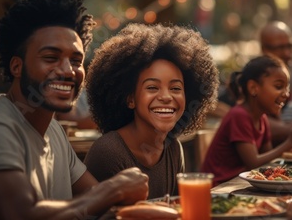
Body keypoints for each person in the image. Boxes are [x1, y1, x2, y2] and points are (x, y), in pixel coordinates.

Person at [0, 0, 149, 220]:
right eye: (51, 58)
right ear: (16, 67)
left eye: (76, 60)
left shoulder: (54, 132)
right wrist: (114, 189)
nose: (67, 71)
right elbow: (18, 215)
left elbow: (100, 206)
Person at [83, 23, 219, 199]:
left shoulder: (173, 148)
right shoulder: (109, 152)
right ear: (130, 98)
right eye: (153, 87)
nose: (166, 97)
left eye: (176, 88)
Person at [201, 55, 292, 186]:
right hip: (220, 189)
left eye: (287, 87)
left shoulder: (262, 118)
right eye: (279, 86)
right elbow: (253, 162)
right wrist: (291, 141)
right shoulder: (239, 115)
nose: (286, 94)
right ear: (253, 88)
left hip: (240, 185)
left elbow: (267, 161)